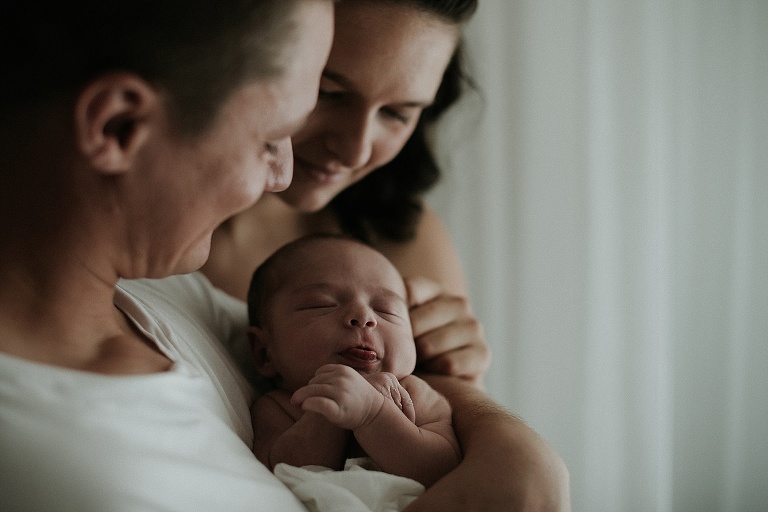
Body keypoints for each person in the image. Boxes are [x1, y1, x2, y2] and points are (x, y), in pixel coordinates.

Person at [202, 1, 572, 509]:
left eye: (398, 112)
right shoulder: (162, 240)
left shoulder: (402, 239)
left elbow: (451, 440)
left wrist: (465, 383)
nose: (354, 150)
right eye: (328, 93)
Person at [0, 1, 335, 510]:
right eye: (269, 139)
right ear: (118, 126)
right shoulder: (77, 480)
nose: (282, 177)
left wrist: (496, 432)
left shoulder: (166, 293)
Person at [247, 235, 461, 490]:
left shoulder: (415, 394)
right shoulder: (278, 407)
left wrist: (375, 414)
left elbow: (443, 469)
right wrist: (329, 414)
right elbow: (278, 471)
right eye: (321, 304)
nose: (364, 316)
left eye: (386, 309)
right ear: (264, 352)